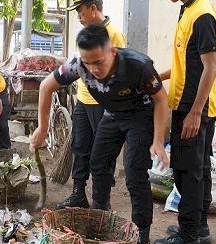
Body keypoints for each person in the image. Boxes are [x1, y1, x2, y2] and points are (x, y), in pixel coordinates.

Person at [30, 24, 169, 244]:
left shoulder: (138, 65)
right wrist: (42, 127)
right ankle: (100, 217)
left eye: (99, 62)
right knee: (98, 163)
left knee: (134, 174)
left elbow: (161, 99)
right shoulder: (78, 65)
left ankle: (142, 233)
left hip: (140, 116)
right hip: (113, 114)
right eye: (88, 63)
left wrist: (158, 141)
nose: (93, 69)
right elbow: (46, 86)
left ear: (112, 52)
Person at [153, 0, 216, 244]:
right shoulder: (188, 9)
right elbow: (186, 61)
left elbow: (211, 67)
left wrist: (195, 113)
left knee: (187, 172)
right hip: (189, 102)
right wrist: (159, 77)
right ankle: (198, 229)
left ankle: (189, 235)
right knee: (198, 170)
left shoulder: (202, 14)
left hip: (195, 107)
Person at [56, 0, 126, 210]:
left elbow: (118, 73)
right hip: (83, 100)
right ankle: (78, 193)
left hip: (102, 104)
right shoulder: (86, 34)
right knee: (80, 146)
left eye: (80, 12)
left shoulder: (113, 34)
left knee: (101, 154)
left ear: (93, 8)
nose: (79, 17)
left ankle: (100, 202)